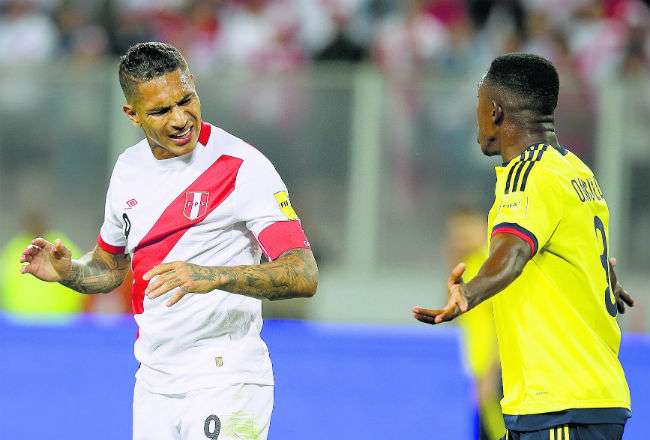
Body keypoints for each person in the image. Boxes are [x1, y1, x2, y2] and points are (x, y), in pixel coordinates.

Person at [19, 42, 318, 440]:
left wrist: (213, 275)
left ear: (195, 88)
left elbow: (303, 273)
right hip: (154, 380)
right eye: (161, 111)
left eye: (186, 100)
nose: (180, 119)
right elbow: (109, 268)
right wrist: (69, 271)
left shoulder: (243, 168)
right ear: (132, 114)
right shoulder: (128, 169)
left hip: (225, 374)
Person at [413, 53, 634, 439]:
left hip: (559, 404)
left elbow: (513, 252)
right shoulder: (576, 171)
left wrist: (469, 291)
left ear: (495, 111)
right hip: (583, 397)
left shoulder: (526, 176)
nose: (476, 118)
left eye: (478, 105)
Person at [447, 207, 504, 440]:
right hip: (476, 371)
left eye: (465, 231)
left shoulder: (490, 268)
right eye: (455, 233)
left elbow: (503, 326)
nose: (459, 238)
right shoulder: (466, 266)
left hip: (495, 372)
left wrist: (490, 375)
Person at [1, 211, 82, 318]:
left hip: (61, 321)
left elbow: (81, 279)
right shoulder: (14, 248)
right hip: (19, 321)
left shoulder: (61, 246)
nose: (35, 225)